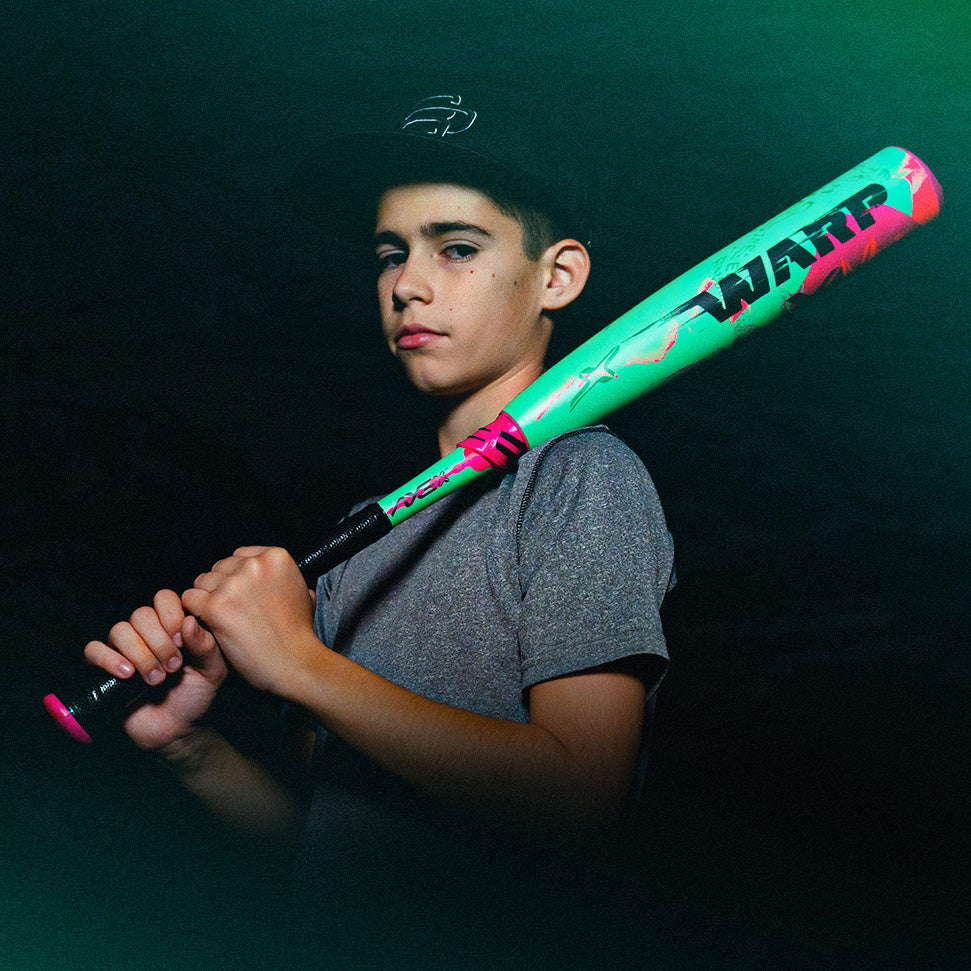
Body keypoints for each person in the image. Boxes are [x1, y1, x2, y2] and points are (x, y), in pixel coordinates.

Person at [83, 88, 676, 944]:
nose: (407, 283)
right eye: (389, 253)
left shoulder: (581, 478)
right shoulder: (363, 535)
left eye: (457, 247)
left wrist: (295, 660)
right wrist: (192, 749)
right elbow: (323, 843)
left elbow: (577, 805)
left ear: (558, 276)